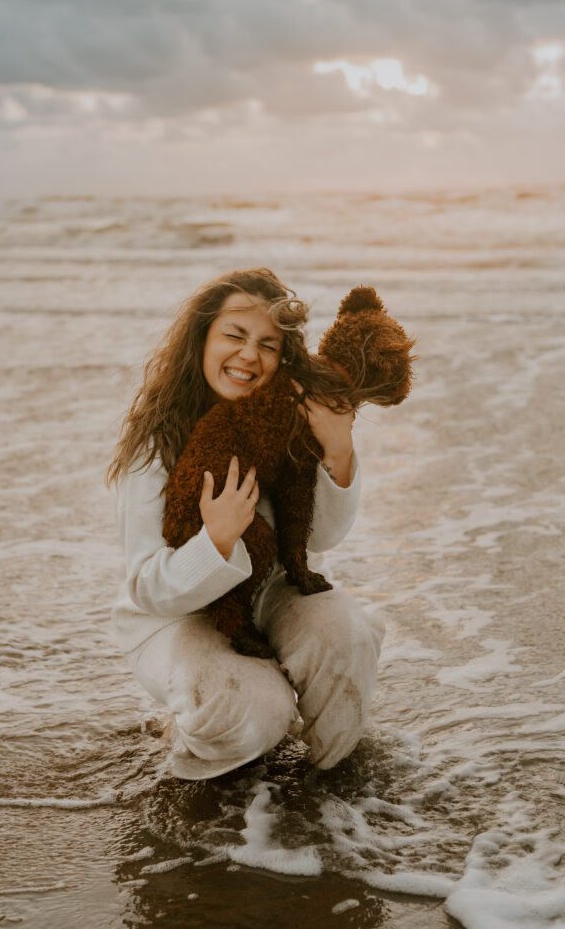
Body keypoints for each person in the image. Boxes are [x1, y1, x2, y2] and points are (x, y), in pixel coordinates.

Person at [108, 268, 384, 780]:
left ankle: (334, 787)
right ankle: (198, 763)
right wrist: (217, 539)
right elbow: (148, 587)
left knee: (348, 632)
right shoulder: (156, 443)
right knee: (252, 712)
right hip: (179, 617)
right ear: (201, 341)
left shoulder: (294, 415)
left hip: (275, 591)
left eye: (268, 345)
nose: (249, 356)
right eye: (234, 336)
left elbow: (319, 537)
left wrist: (339, 449)